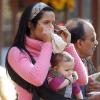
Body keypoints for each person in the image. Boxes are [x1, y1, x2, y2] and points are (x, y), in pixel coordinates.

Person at [5, 2, 55, 100]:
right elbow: (37, 78)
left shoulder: (51, 48)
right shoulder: (16, 52)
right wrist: (47, 44)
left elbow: (82, 80)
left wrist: (68, 46)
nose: (51, 27)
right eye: (46, 22)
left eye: (52, 23)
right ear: (30, 25)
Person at [65, 18, 100, 98]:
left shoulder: (83, 61)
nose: (96, 43)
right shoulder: (63, 64)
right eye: (93, 39)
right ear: (80, 43)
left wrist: (88, 86)